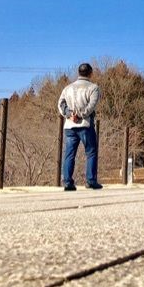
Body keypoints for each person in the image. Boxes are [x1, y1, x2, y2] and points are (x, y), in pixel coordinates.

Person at [57, 62, 101, 191]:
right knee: (91, 152)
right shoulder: (93, 88)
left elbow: (61, 103)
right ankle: (91, 180)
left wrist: (70, 115)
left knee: (69, 154)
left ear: (78, 73)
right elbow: (91, 106)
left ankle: (67, 182)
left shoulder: (68, 88)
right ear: (90, 73)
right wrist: (80, 115)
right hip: (85, 124)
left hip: (70, 125)